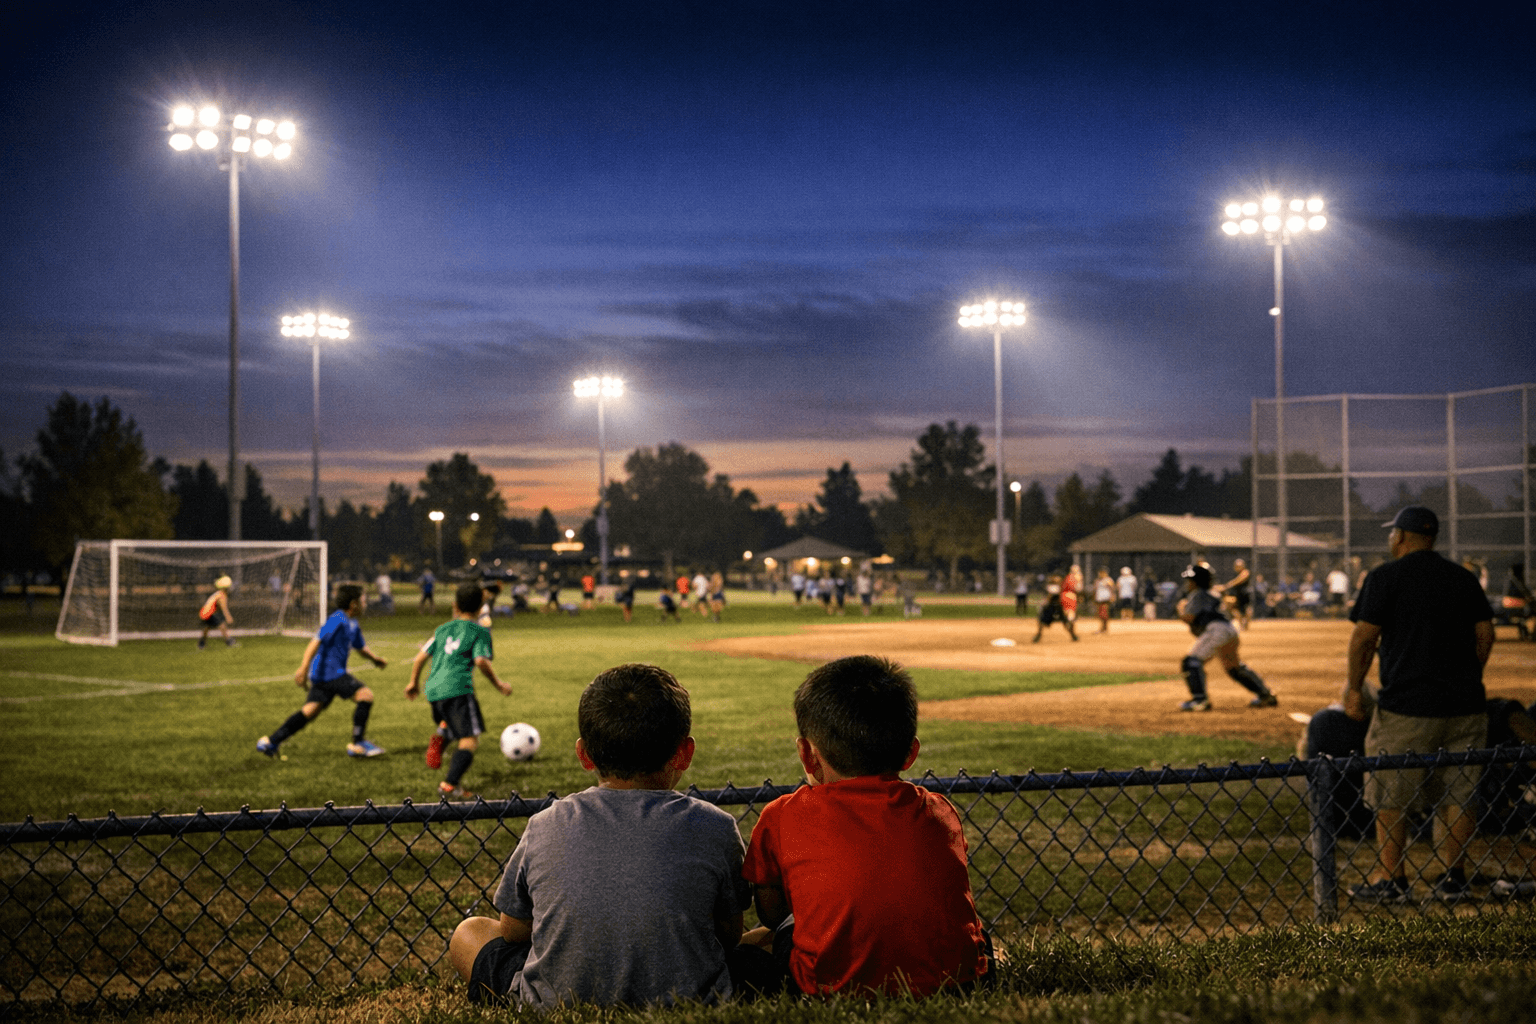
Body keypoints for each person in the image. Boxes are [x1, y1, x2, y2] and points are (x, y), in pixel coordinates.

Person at [447, 663, 751, 1008]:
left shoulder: (545, 823)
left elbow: (513, 930)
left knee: (469, 932)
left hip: (556, 999)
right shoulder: (716, 825)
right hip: (692, 995)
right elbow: (730, 934)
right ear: (684, 753)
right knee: (763, 941)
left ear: (584, 754)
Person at [739, 655, 994, 997]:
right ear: (910, 753)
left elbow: (771, 913)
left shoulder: (783, 814)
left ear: (807, 755)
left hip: (829, 989)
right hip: (963, 983)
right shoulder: (939, 810)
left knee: (751, 950)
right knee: (978, 935)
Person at [1343, 506, 1495, 903]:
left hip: (1406, 707)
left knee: (1391, 793)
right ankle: (1454, 879)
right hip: (1465, 706)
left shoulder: (1385, 577)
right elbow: (1485, 634)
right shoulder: (1462, 577)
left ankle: (1392, 880)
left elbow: (1364, 638)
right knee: (1459, 793)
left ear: (1399, 537)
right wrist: (1467, 675)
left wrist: (1353, 689)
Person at [406, 581, 511, 800]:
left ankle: (441, 734)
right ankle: (450, 785)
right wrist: (499, 684)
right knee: (470, 739)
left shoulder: (442, 629)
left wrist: (413, 683)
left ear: (455, 605)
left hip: (433, 689)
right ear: (481, 606)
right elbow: (481, 661)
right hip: (458, 689)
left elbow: (420, 657)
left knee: (450, 721)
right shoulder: (479, 631)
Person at [258, 583, 388, 759]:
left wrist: (375, 659)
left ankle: (271, 741)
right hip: (331, 673)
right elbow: (316, 640)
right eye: (363, 601)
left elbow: (360, 647)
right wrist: (303, 667)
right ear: (353, 604)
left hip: (323, 675)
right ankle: (358, 743)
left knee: (310, 711)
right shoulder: (338, 619)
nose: (366, 604)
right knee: (365, 696)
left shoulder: (352, 623)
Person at [1175, 564, 1277, 712]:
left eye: (1191, 580)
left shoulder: (1198, 594)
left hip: (1217, 630)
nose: (1188, 583)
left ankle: (1199, 700)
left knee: (1191, 662)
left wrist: (1180, 609)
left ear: (1197, 582)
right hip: (1230, 629)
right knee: (1233, 667)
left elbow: (1189, 618)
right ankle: (1265, 695)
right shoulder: (1213, 594)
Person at [1032, 575, 1077, 642]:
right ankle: (1038, 635)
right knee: (1042, 621)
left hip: (1057, 608)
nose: (1056, 580)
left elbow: (1050, 597)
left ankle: (1073, 635)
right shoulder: (1056, 587)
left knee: (1067, 622)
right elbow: (1050, 597)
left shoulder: (1059, 587)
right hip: (1053, 608)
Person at [197, 575, 237, 649]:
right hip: (210, 613)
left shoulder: (219, 593)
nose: (230, 588)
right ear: (225, 588)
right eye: (229, 587)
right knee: (222, 625)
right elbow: (224, 608)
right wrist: (228, 617)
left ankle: (201, 643)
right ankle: (229, 641)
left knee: (207, 627)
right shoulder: (222, 596)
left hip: (205, 612)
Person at [1222, 559, 1251, 630]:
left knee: (1248, 609)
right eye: (1236, 566)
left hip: (1245, 595)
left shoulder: (1245, 572)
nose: (1237, 568)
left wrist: (1229, 584)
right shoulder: (1235, 574)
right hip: (1237, 595)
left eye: (1239, 566)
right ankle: (1241, 623)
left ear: (1243, 566)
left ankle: (1246, 624)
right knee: (1232, 608)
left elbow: (1239, 580)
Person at [1092, 568, 1115, 634]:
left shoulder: (1108, 580)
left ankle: (1105, 629)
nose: (1101, 574)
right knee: (1100, 614)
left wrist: (1112, 596)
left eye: (1103, 573)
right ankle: (1102, 628)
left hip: (1106, 599)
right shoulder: (1097, 581)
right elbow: (1095, 590)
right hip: (1099, 599)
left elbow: (1112, 588)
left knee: (1104, 614)